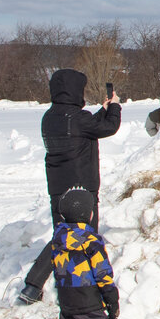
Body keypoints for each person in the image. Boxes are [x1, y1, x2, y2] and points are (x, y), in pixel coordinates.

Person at [16, 69, 121, 306]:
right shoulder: (79, 118)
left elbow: (85, 126)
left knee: (60, 236)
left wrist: (102, 111)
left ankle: (33, 286)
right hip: (81, 189)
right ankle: (90, 289)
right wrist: (114, 106)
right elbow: (107, 128)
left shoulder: (50, 117)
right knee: (86, 236)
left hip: (58, 188)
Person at [46, 187, 133, 319]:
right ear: (89, 214)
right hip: (88, 299)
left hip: (67, 299)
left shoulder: (58, 239)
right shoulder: (91, 241)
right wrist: (111, 298)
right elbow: (102, 272)